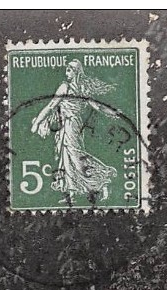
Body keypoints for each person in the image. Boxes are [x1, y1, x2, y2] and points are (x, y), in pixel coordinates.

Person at [30, 59, 119, 203]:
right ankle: (71, 194)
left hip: (71, 125)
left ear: (76, 72)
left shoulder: (68, 87)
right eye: (66, 69)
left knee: (76, 157)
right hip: (67, 124)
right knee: (66, 158)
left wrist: (112, 112)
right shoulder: (74, 88)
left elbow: (52, 106)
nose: (67, 72)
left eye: (70, 70)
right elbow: (52, 106)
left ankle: (102, 181)